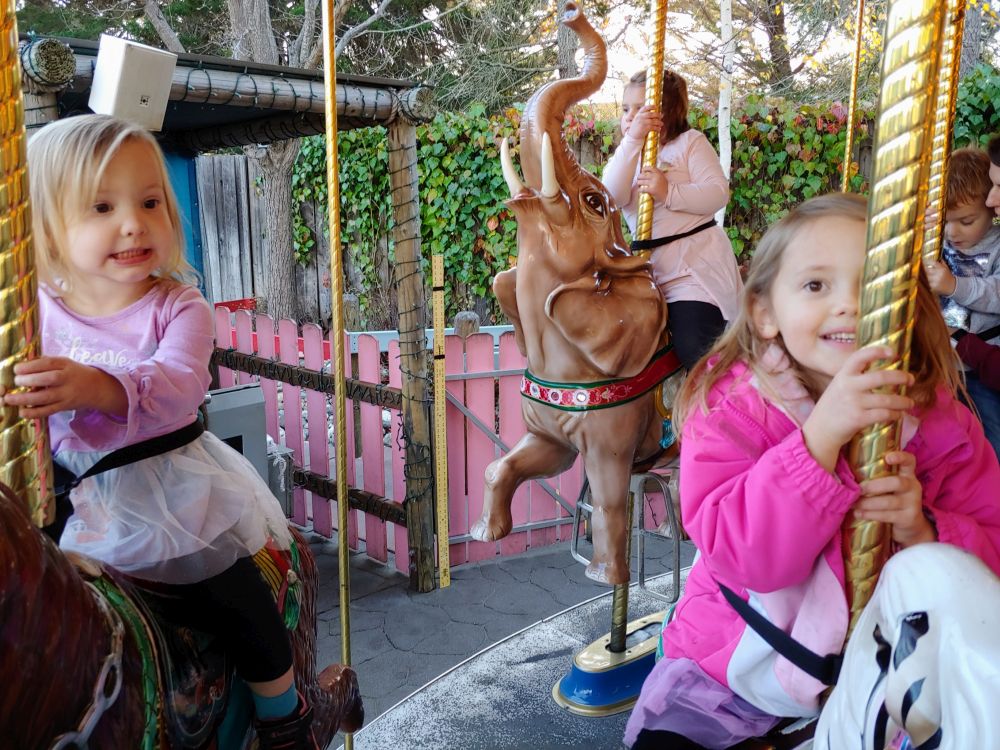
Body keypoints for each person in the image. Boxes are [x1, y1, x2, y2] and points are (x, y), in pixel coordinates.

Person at [624, 192, 1000, 750]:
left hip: (883, 666)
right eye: (816, 285)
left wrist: (925, 531)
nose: (850, 305)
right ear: (765, 313)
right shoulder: (732, 410)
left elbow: (988, 551)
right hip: (736, 667)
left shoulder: (943, 424)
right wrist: (820, 439)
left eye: (874, 284)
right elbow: (747, 556)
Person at [0, 115, 315, 750]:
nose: (132, 222)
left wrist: (99, 387)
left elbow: (179, 389)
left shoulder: (179, 307)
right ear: (50, 226)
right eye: (101, 206)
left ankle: (285, 719)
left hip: (166, 491)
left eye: (149, 202)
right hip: (65, 497)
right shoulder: (37, 318)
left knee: (235, 595)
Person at [602, 69, 743, 371]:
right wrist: (633, 141)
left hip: (692, 272)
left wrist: (669, 192)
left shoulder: (690, 143)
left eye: (641, 108)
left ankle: (720, 407)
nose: (630, 116)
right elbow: (612, 196)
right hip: (646, 273)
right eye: (626, 109)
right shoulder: (627, 157)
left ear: (666, 111)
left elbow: (718, 193)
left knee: (695, 344)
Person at [924, 147, 1000, 459]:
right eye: (946, 221)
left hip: (980, 368)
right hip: (941, 362)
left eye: (966, 221)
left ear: (991, 209)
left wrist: (954, 285)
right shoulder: (935, 241)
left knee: (992, 432)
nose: (953, 232)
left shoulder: (997, 246)